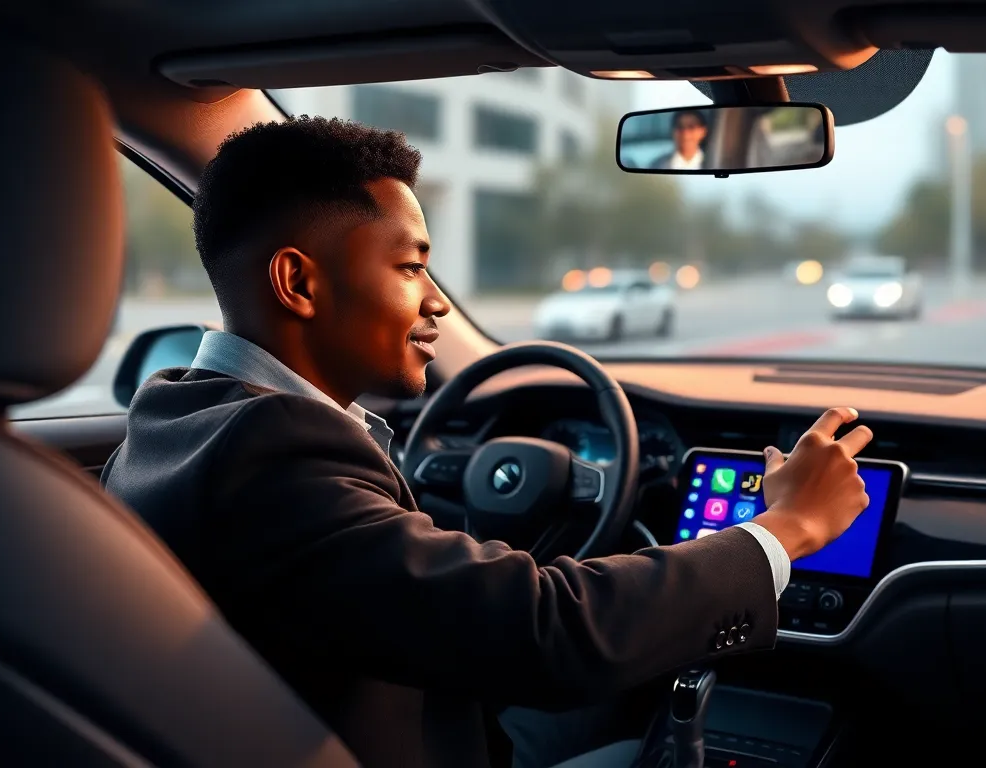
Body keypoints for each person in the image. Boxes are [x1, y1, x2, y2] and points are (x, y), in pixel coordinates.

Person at [102, 116, 873, 768]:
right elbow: (551, 631)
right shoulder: (275, 459)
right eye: (411, 267)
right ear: (299, 283)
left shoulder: (166, 422)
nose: (438, 301)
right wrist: (786, 529)